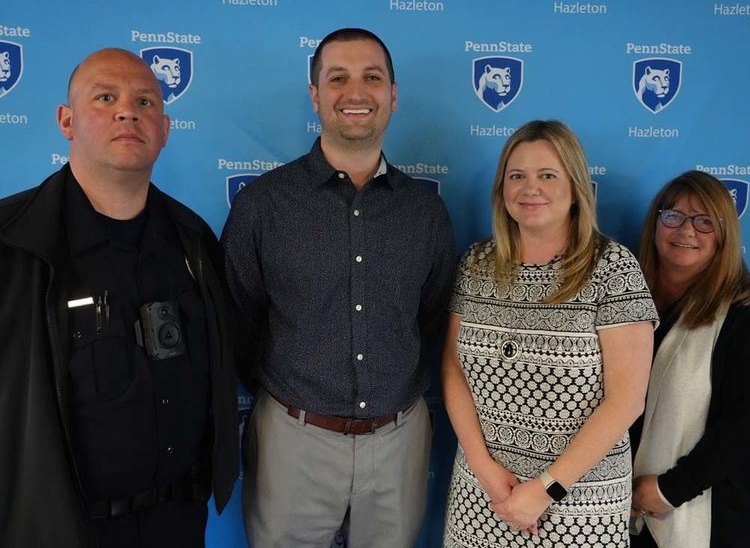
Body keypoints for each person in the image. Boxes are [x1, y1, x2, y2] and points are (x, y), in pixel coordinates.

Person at [222, 28, 456, 547]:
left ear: (393, 95)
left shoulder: (425, 211)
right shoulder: (264, 205)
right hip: (292, 438)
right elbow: (239, 319)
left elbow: (434, 314)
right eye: (338, 78)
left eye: (372, 78)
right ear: (315, 95)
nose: (356, 92)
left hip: (399, 442)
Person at [0, 48, 239, 548]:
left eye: (146, 102)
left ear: (166, 129)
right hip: (59, 529)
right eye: (105, 97)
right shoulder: (12, 243)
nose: (128, 111)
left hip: (179, 523)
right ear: (67, 120)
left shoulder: (194, 241)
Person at [442, 120, 657, 547]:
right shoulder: (476, 263)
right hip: (482, 493)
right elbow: (453, 368)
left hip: (577, 504)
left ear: (576, 187)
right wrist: (485, 471)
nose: (530, 188)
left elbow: (626, 400)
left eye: (547, 175)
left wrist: (544, 489)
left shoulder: (612, 269)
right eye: (516, 176)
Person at [630, 171, 750, 547]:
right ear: (656, 223)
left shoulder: (748, 315)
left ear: (724, 235)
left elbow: (745, 425)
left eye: (704, 221)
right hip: (620, 505)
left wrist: (668, 490)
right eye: (674, 215)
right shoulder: (623, 302)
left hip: (706, 511)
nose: (686, 230)